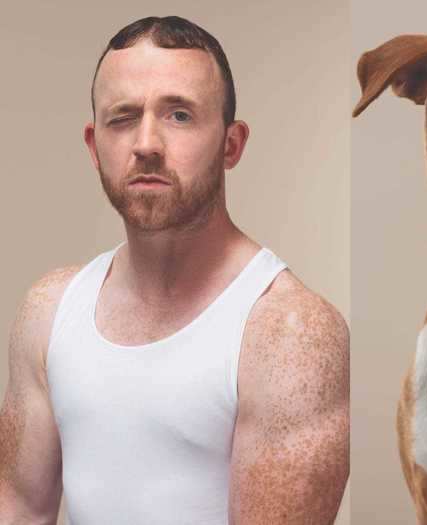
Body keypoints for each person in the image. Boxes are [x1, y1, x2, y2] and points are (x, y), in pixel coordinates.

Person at [0, 16, 349, 525]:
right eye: (122, 118)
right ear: (95, 146)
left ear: (232, 144)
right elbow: (19, 507)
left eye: (179, 115)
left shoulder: (291, 335)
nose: (146, 143)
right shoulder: (48, 311)